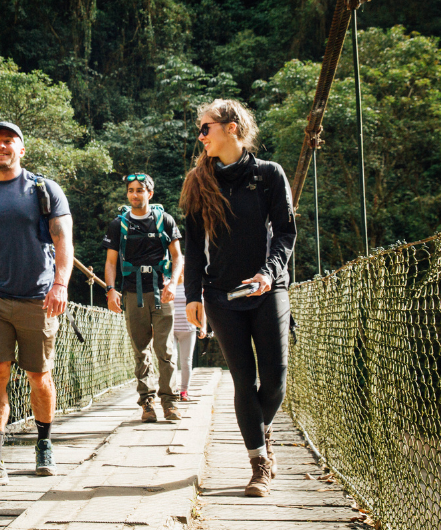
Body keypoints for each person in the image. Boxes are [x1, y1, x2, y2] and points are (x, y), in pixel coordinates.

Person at [180, 99, 296, 497]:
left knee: (276, 379)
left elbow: (285, 233)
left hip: (268, 288)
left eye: (206, 128)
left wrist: (270, 272)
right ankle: (258, 462)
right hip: (220, 294)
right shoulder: (199, 180)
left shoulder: (268, 175)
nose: (201, 136)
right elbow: (194, 247)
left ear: (232, 127)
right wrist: (191, 295)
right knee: (243, 380)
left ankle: (260, 433)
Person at [0, 121, 73, 489]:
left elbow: (64, 241)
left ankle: (44, 443)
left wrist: (61, 284)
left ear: (22, 150)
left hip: (38, 298)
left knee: (39, 376)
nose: (1, 146)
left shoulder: (44, 190)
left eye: (9, 141)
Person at [102, 173, 184, 422]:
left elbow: (178, 257)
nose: (135, 194)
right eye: (131, 190)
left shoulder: (165, 221)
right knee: (141, 351)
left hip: (162, 292)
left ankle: (169, 402)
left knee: (165, 350)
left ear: (150, 193)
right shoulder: (118, 225)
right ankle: (147, 402)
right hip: (132, 293)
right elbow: (110, 261)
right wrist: (110, 290)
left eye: (140, 190)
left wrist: (173, 283)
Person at [172, 277, 205, 401]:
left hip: (188, 330)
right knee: (171, 360)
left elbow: (202, 308)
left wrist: (203, 326)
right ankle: (173, 389)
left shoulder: (192, 287)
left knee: (186, 362)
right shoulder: (169, 284)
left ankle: (184, 391)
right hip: (171, 330)